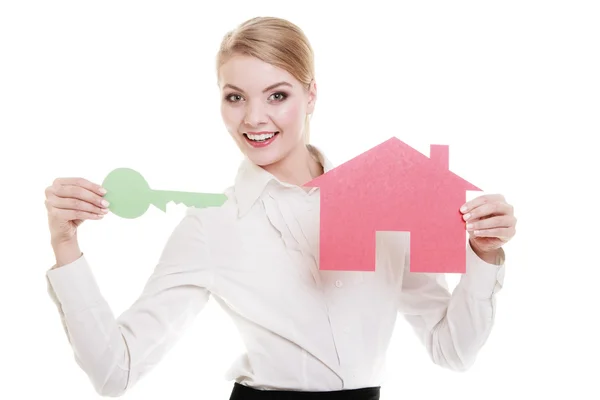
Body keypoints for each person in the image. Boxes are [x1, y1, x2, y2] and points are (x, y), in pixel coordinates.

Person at [44, 16, 517, 400]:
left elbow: (453, 350)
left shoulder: (382, 200)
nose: (254, 118)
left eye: (277, 95)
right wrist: (65, 245)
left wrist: (483, 253)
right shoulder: (212, 226)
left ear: (311, 95)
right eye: (235, 98)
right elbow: (115, 372)